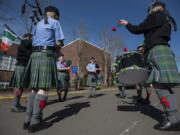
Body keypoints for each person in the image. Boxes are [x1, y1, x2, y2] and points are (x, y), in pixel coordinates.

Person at [119, 1, 180, 130]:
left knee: (159, 85)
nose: (148, 12)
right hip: (164, 50)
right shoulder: (166, 18)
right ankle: (172, 116)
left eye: (149, 10)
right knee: (164, 86)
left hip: (157, 51)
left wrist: (127, 24)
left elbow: (138, 29)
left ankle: (173, 119)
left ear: (152, 9)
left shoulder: (155, 16)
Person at [22, 6, 64, 133]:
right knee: (43, 89)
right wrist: (57, 52)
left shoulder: (38, 24)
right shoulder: (55, 22)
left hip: (34, 56)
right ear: (55, 15)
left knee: (34, 88)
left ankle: (27, 120)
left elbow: (33, 41)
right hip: (46, 55)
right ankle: (35, 122)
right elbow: (60, 42)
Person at [9, 33, 32, 112]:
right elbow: (29, 53)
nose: (31, 39)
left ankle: (17, 104)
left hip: (22, 66)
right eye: (30, 38)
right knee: (18, 86)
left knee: (21, 86)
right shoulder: (25, 44)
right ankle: (14, 106)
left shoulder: (23, 44)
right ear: (27, 37)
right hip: (22, 67)